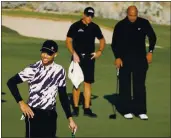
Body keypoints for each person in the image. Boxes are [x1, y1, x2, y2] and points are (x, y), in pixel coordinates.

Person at [7, 40, 77, 137]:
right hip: (33, 113)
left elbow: (63, 96)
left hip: (51, 115)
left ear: (55, 54)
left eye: (49, 53)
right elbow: (11, 82)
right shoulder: (32, 69)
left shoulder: (59, 71)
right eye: (43, 52)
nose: (45, 56)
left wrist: (70, 119)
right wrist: (21, 103)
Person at [111, 6, 157, 120]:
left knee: (139, 85)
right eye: (130, 15)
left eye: (134, 15)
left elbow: (152, 37)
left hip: (140, 59)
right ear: (127, 14)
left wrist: (150, 51)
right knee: (125, 85)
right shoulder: (120, 25)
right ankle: (126, 110)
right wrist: (117, 57)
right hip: (124, 59)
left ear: (137, 13)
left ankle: (140, 111)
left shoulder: (144, 23)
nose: (132, 18)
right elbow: (114, 43)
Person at [66, 7, 105, 118]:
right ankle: (76, 108)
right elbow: (68, 41)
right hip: (77, 58)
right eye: (88, 15)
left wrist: (99, 52)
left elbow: (102, 40)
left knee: (87, 83)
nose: (89, 18)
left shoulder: (94, 27)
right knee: (76, 83)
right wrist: (73, 53)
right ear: (83, 15)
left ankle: (87, 109)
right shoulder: (75, 26)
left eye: (91, 16)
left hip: (89, 58)